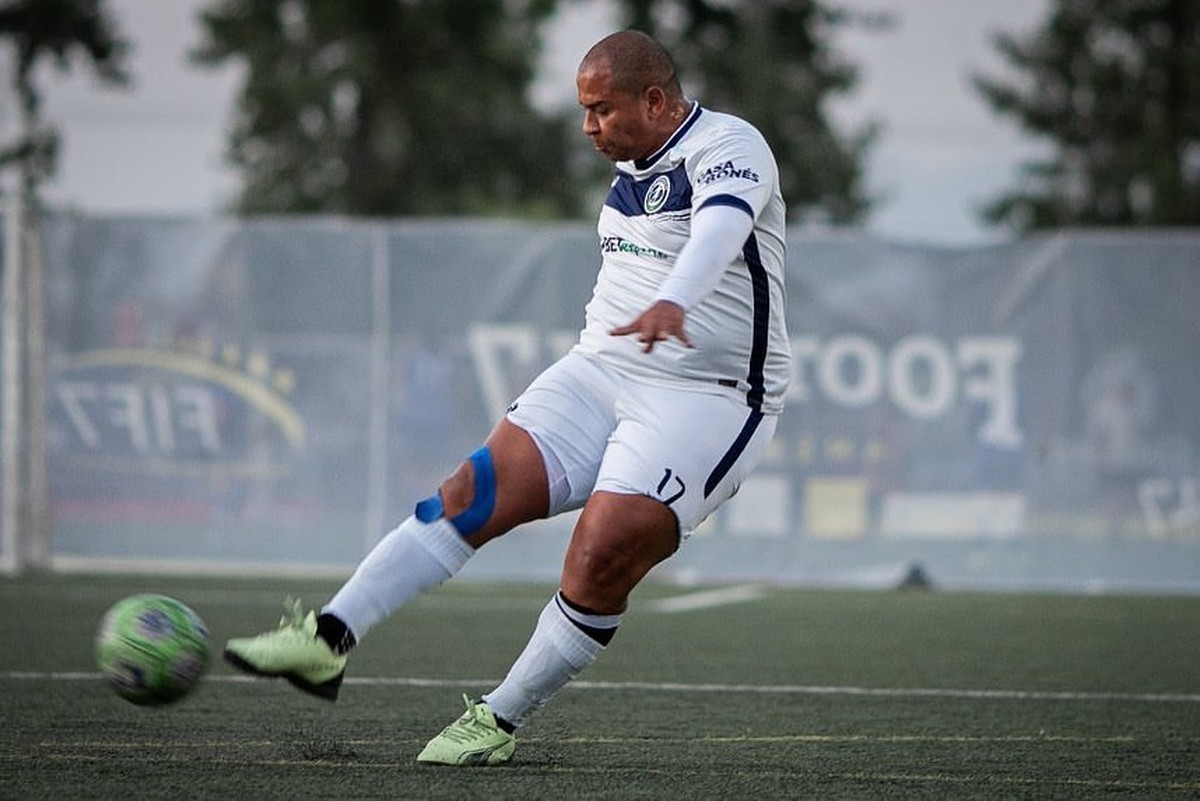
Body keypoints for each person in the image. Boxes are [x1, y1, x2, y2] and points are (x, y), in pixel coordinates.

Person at [223, 29, 791, 767]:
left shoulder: (731, 145)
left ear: (654, 100)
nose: (589, 125)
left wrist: (675, 300)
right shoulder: (629, 163)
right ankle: (326, 639)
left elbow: (720, 231)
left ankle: (497, 717)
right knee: (468, 490)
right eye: (583, 109)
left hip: (707, 399)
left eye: (601, 109)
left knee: (600, 555)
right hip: (601, 370)